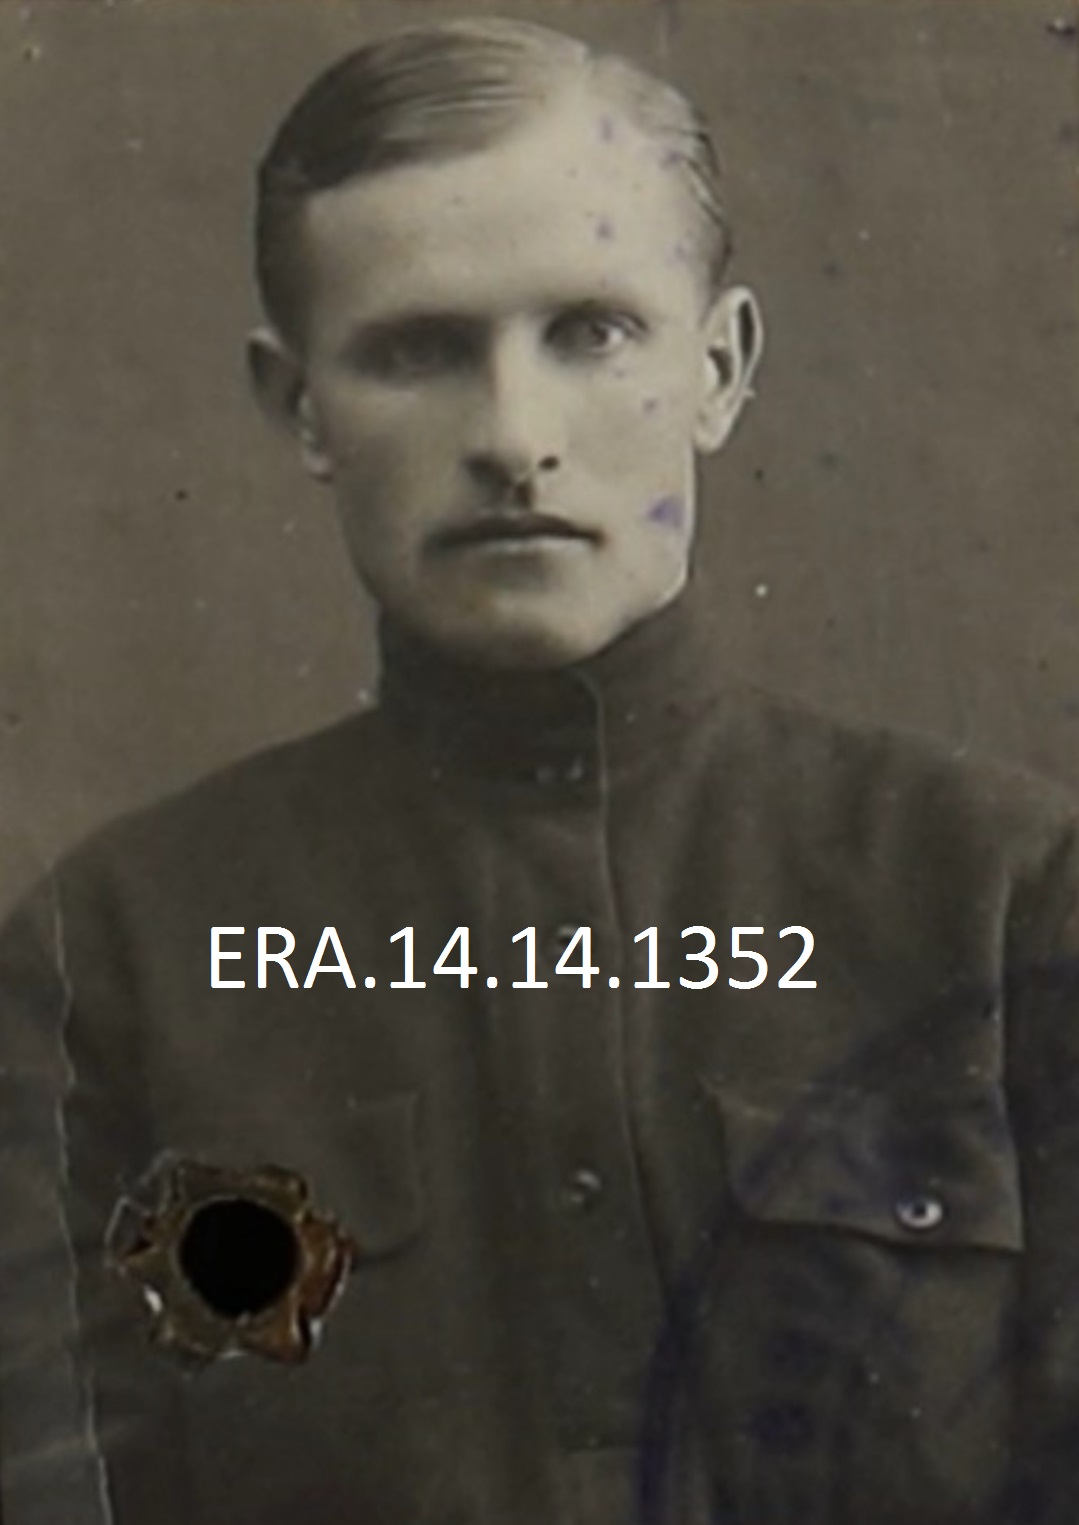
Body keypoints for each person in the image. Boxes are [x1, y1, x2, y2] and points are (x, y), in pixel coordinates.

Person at [2, 16, 1079, 1525]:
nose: (514, 437)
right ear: (298, 405)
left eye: (594, 332)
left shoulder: (1005, 894)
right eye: (417, 351)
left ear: (720, 368)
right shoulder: (113, 960)